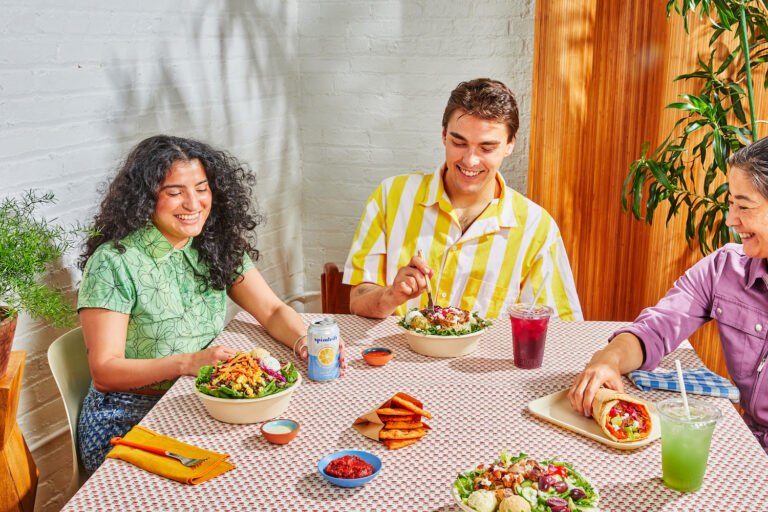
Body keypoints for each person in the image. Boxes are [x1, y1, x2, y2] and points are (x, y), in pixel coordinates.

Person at [76, 135, 345, 472]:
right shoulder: (114, 262)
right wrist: (189, 363)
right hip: (129, 418)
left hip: (200, 402)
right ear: (145, 198)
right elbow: (105, 372)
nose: (193, 203)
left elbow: (273, 310)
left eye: (201, 188)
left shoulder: (213, 244)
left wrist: (302, 340)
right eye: (175, 193)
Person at [569, 136, 768, 453]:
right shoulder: (725, 269)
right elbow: (657, 328)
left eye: (744, 206)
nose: (731, 220)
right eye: (731, 204)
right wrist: (608, 361)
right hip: (746, 447)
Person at [343, 78, 582, 320]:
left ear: (510, 145)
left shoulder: (536, 227)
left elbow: (562, 327)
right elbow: (358, 299)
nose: (470, 161)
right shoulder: (391, 196)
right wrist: (390, 296)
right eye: (459, 142)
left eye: (486, 148)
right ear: (444, 136)